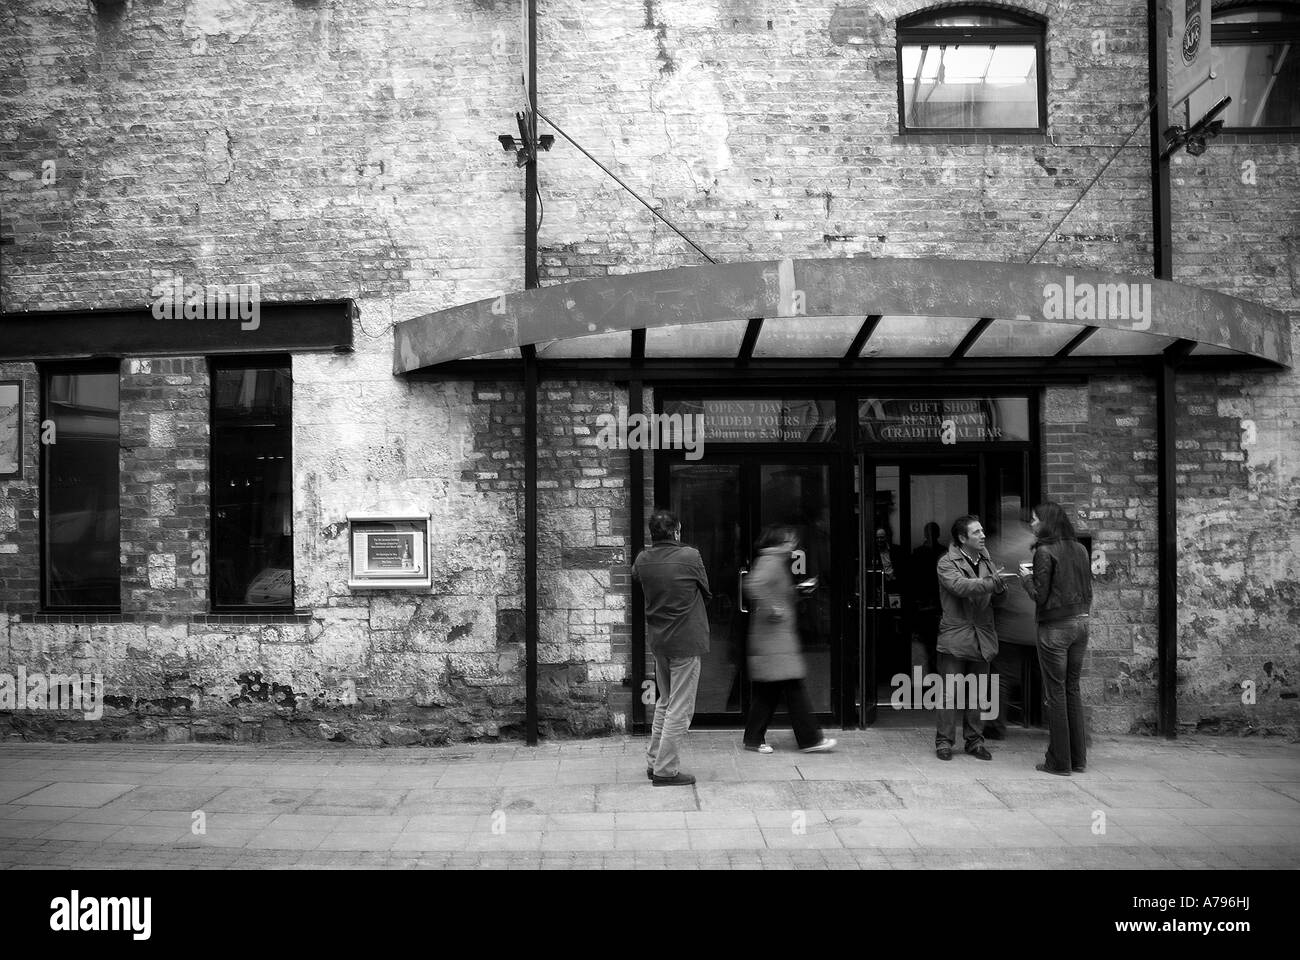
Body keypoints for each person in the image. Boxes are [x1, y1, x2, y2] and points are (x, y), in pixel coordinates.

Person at [741, 524, 837, 755]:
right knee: (793, 688)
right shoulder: (772, 562)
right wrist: (773, 608)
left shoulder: (773, 561)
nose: (793, 544)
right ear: (779, 542)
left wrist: (798, 591)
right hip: (774, 639)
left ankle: (754, 738)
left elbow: (773, 592)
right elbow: (753, 585)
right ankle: (810, 739)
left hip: (775, 638)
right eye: (789, 540)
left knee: (769, 691)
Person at [632, 509, 711, 786]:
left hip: (659, 641)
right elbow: (706, 589)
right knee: (680, 708)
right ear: (676, 531)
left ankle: (655, 763)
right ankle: (666, 770)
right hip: (686, 641)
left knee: (665, 702)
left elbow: (636, 578)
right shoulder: (690, 556)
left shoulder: (642, 559)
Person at [1019, 502, 1093, 776]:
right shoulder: (1080, 549)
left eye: (1036, 519)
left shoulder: (1044, 551)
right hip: (1081, 623)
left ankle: (1059, 761)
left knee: (1056, 693)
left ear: (1047, 523)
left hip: (1055, 626)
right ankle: (1078, 758)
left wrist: (1025, 579)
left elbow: (1041, 595)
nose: (1032, 524)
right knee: (1072, 689)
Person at [934, 515, 1008, 761]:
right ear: (962, 538)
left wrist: (1000, 589)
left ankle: (975, 741)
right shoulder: (946, 562)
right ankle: (944, 742)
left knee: (977, 693)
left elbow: (994, 596)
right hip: (956, 635)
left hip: (982, 635)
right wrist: (992, 582)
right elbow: (960, 587)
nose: (983, 535)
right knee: (949, 693)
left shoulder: (986, 560)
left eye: (982, 530)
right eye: (976, 532)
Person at [907, 521, 946, 673]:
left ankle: (932, 675)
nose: (931, 536)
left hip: (936, 601)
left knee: (933, 642)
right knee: (928, 642)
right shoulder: (925, 552)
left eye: (933, 532)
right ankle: (931, 674)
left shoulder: (939, 552)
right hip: (927, 601)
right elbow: (915, 578)